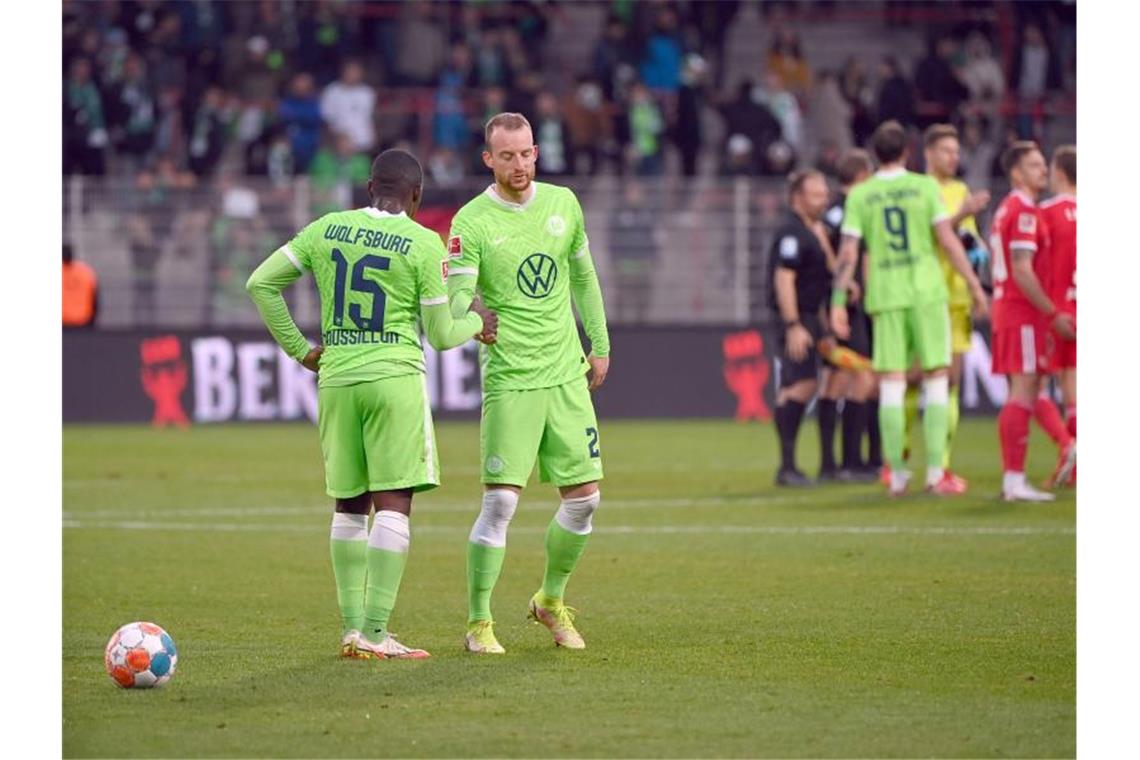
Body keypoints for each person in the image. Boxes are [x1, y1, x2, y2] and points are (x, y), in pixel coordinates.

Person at [245, 149, 497, 659]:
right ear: (417, 196)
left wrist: (301, 350)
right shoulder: (424, 244)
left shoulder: (326, 228)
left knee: (348, 505)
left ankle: (351, 630)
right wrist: (478, 323)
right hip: (392, 379)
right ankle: (378, 632)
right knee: (393, 504)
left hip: (337, 378)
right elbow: (443, 334)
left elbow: (260, 284)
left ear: (368, 188)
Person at [447, 113, 610, 654]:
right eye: (507, 156)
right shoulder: (470, 222)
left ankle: (550, 601)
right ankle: (478, 623)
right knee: (500, 505)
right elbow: (456, 297)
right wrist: (471, 309)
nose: (519, 165)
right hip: (512, 379)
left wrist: (600, 344)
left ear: (537, 152)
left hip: (566, 373)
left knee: (585, 499)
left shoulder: (564, 204)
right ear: (488, 159)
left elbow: (583, 277)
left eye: (526, 154)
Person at [830, 120, 988, 497]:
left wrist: (838, 301)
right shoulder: (924, 188)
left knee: (892, 384)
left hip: (885, 296)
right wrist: (974, 284)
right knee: (936, 377)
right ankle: (936, 474)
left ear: (874, 154)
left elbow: (849, 251)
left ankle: (896, 474)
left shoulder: (861, 195)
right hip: (927, 293)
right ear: (907, 152)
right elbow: (948, 242)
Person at [987, 141, 1075, 501]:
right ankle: (1014, 480)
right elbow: (1022, 270)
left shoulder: (1011, 207)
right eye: (1035, 165)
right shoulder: (1023, 210)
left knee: (1028, 391)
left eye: (1044, 164)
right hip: (1021, 311)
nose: (1043, 170)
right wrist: (1053, 314)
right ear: (1016, 172)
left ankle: (1063, 447)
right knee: (1023, 392)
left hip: (1012, 309)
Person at [916, 123, 992, 493]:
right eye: (946, 150)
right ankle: (895, 461)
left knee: (951, 382)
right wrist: (962, 213)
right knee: (916, 377)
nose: (954, 156)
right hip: (927, 295)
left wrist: (978, 248)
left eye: (956, 150)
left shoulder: (960, 189)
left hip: (957, 295)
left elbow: (963, 239)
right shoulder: (918, 189)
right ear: (928, 153)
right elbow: (932, 237)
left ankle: (941, 467)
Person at [769, 170, 834, 486]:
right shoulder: (791, 233)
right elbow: (784, 279)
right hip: (797, 319)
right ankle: (787, 466)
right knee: (801, 385)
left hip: (810, 318)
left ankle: (788, 466)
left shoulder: (812, 231)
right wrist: (794, 324)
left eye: (824, 193)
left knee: (796, 387)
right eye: (816, 194)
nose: (823, 199)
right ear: (798, 198)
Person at [818, 149, 878, 482]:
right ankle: (848, 462)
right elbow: (836, 252)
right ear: (862, 178)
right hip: (845, 307)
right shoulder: (843, 212)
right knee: (853, 378)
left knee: (848, 379)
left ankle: (843, 462)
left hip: (851, 305)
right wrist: (842, 285)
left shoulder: (842, 212)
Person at [1039, 145, 1076, 486]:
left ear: (1061, 173)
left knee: (1034, 387)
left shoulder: (1047, 213)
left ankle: (1069, 448)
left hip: (1056, 310)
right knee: (1075, 390)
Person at [62, 244, 98, 329]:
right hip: (84, 320)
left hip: (65, 321)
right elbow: (95, 298)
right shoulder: (86, 272)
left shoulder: (86, 272)